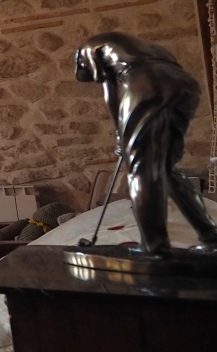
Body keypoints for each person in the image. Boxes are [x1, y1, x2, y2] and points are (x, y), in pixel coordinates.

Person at [75, 32, 217, 254]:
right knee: (166, 171)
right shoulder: (143, 47)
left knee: (141, 171)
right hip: (186, 86)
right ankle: (210, 235)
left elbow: (110, 91)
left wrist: (121, 134)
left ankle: (154, 247)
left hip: (147, 85)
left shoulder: (88, 49)